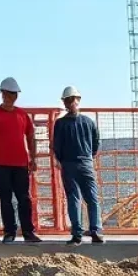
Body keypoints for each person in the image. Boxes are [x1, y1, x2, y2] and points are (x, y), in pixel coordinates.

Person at [0, 77, 42, 244]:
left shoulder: (22, 115)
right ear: (2, 94)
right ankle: (9, 232)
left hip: (21, 164)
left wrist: (33, 158)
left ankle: (28, 232)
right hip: (1, 165)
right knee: (6, 199)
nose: (10, 97)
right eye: (8, 94)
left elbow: (31, 137)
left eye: (13, 94)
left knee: (24, 198)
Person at [52, 85, 104, 245]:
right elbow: (96, 143)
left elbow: (57, 146)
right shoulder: (89, 122)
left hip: (69, 164)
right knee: (92, 198)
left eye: (70, 100)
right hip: (86, 163)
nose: (70, 103)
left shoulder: (60, 124)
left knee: (74, 198)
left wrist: (61, 160)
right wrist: (89, 155)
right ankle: (95, 230)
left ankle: (77, 233)